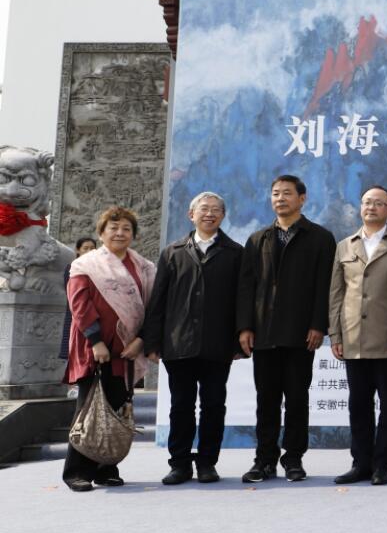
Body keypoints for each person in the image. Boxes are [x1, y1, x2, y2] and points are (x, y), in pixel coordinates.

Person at [236, 174, 336, 483]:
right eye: (276, 194)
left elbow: (325, 286)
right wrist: (245, 327)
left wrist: (318, 324)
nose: (280, 198)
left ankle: (293, 458)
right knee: (266, 400)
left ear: (302, 199)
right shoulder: (258, 239)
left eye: (287, 193)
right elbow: (246, 287)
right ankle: (264, 460)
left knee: (296, 399)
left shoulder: (320, 238)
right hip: (264, 333)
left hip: (300, 333)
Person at [141, 192, 243, 485]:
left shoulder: (235, 252)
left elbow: (242, 300)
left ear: (223, 216)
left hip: (217, 344)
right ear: (191, 215)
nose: (209, 214)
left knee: (214, 406)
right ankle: (180, 464)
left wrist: (239, 340)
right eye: (204, 209)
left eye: (215, 210)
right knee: (181, 407)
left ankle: (208, 463)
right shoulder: (172, 252)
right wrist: (152, 342)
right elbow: (158, 300)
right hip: (178, 344)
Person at [62, 207, 154, 492]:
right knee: (89, 409)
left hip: (126, 351)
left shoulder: (144, 267)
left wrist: (141, 340)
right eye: (113, 228)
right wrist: (96, 341)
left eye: (126, 228)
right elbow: (80, 305)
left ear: (133, 234)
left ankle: (106, 469)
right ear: (101, 233)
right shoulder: (85, 265)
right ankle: (76, 472)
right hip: (94, 349)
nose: (120, 233)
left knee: (116, 407)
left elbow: (152, 307)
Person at [328, 185, 387, 486]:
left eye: (378, 203)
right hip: (353, 338)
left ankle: (382, 466)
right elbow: (336, 294)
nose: (371, 207)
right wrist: (335, 334)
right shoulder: (345, 246)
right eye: (367, 202)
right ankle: (360, 463)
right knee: (358, 405)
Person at [59, 237, 97, 361]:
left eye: (92, 248)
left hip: (95, 313)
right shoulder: (71, 268)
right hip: (76, 312)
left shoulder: (100, 269)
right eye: (85, 248)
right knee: (74, 353)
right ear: (78, 250)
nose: (89, 251)